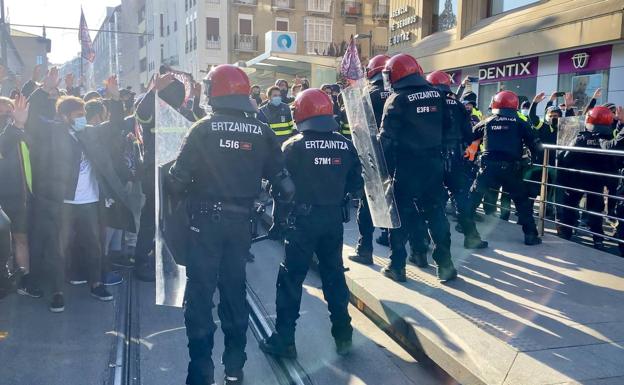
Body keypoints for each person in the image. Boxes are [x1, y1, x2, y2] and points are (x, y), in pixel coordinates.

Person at [168, 64, 294, 385]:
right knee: (234, 294)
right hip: (240, 225)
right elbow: (284, 185)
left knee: (199, 296)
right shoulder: (262, 130)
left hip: (203, 226)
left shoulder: (202, 128)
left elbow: (177, 181)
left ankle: (200, 373)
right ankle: (235, 369)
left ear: (215, 91)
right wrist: (279, 221)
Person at [260, 88, 362, 359]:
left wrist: (278, 222)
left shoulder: (293, 145)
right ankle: (343, 335)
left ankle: (285, 341)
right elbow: (356, 182)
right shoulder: (345, 143)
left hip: (301, 223)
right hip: (333, 222)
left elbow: (281, 189)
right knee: (334, 276)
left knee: (291, 280)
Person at [378, 53, 457, 282]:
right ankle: (446, 265)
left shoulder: (397, 99)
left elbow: (386, 139)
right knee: (435, 213)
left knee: (400, 216)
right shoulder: (438, 95)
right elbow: (449, 127)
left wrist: (381, 166)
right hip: (433, 164)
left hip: (406, 165)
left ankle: (397, 266)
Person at [469, 90, 542, 246]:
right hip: (511, 169)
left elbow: (471, 135)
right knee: (522, 202)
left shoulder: (487, 121)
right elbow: (536, 146)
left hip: (488, 168)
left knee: (473, 198)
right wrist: (533, 163)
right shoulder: (520, 122)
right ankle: (530, 235)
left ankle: (466, 230)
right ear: (515, 105)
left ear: (495, 104)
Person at [427, 70, 488, 251]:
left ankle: (423, 244)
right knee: (462, 197)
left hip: (432, 157)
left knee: (430, 200)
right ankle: (472, 237)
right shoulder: (459, 106)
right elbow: (469, 135)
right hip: (455, 157)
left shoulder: (427, 102)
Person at [556, 106, 621, 249]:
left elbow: (565, 157)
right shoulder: (609, 142)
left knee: (570, 207)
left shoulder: (580, 138)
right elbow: (613, 165)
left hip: (576, 180)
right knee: (595, 212)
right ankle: (598, 239)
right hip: (596, 182)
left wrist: (563, 178)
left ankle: (567, 232)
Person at [348, 54, 390, 265]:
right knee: (396, 202)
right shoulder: (398, 93)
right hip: (398, 159)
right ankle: (395, 247)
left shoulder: (368, 95)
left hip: (373, 156)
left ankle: (365, 250)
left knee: (368, 204)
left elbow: (358, 126)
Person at [0, 95, 42, 297]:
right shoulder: (11, 132)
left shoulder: (22, 133)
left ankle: (23, 279)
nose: (5, 115)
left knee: (21, 238)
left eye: (9, 111)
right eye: (2, 112)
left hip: (20, 196)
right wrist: (16, 125)